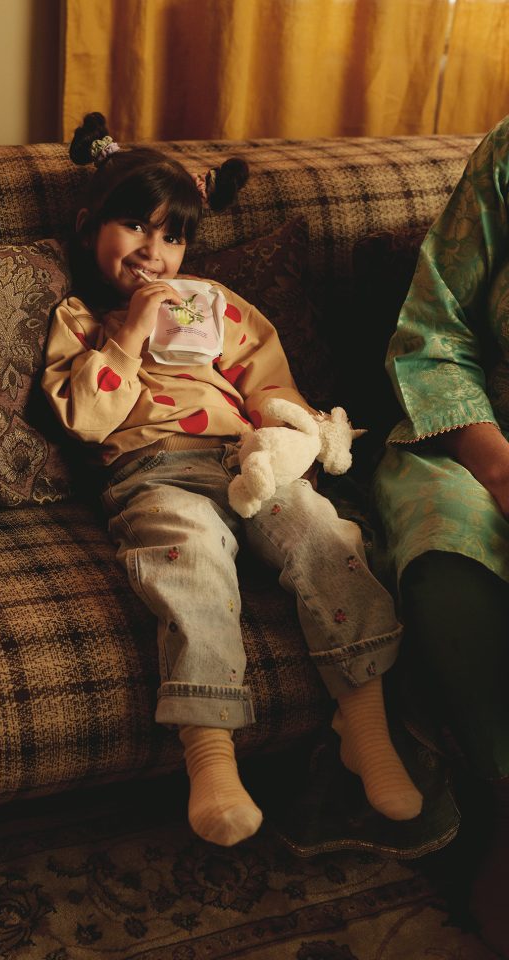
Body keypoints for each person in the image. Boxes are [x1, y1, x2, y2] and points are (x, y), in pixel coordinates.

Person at [42, 111, 422, 848]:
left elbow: (268, 381)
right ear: (91, 227)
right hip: (154, 475)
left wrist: (291, 428)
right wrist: (126, 334)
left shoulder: (211, 304)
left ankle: (365, 727)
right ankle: (211, 761)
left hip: (247, 459)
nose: (154, 253)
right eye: (134, 228)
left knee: (325, 536)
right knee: (191, 565)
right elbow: (86, 419)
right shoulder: (80, 319)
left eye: (173, 237)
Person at [373, 115, 509, 954]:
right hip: (476, 437)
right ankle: (501, 807)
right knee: (448, 560)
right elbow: (434, 330)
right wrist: (497, 467)